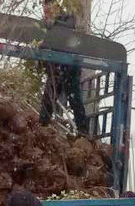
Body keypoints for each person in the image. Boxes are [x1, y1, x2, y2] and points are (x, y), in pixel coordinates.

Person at [38, 0, 88, 134]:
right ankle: (41, 128)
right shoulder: (46, 22)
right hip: (55, 67)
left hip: (69, 65)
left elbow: (66, 30)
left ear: (55, 5)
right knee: (49, 98)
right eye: (44, 6)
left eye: (47, 6)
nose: (45, 9)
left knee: (74, 98)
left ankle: (83, 133)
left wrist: (53, 25)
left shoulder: (66, 16)